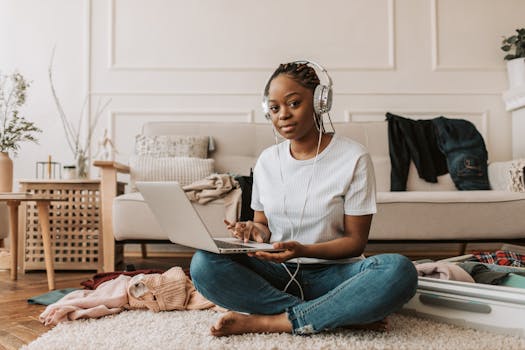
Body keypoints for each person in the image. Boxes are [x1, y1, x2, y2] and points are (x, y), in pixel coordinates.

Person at [190, 61, 418, 337]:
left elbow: (355, 242)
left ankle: (272, 321)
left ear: (320, 102)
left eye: (294, 103)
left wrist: (303, 250)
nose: (283, 115)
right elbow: (263, 225)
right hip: (279, 272)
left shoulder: (353, 157)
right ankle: (334, 314)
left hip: (337, 276)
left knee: (399, 270)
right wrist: (252, 230)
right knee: (203, 263)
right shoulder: (267, 161)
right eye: (274, 108)